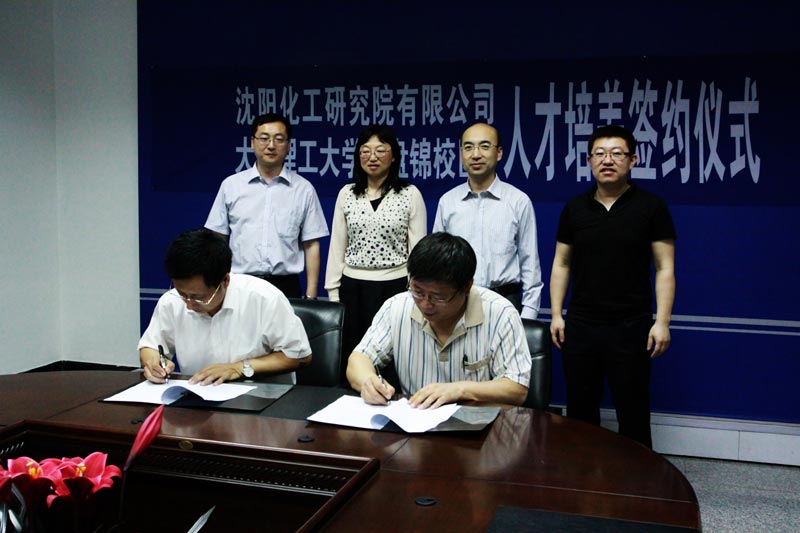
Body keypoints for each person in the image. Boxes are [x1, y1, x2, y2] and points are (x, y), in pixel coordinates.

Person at [549, 124, 676, 448]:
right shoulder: (575, 208)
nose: (608, 160)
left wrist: (662, 322)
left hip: (631, 325)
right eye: (600, 154)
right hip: (581, 325)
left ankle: (638, 477)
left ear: (633, 160)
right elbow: (561, 264)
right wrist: (557, 315)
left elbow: (664, 268)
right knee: (580, 411)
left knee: (633, 411)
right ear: (589, 160)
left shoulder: (651, 207)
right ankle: (581, 472)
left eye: (617, 154)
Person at [346, 232, 531, 408]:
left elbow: (517, 388)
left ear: (467, 287)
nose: (426, 304)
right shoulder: (396, 307)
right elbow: (359, 359)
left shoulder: (500, 313)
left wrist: (459, 390)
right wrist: (368, 382)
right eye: (418, 292)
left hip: (478, 424)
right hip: (415, 420)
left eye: (438, 297)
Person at [138, 228, 312, 385]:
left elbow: (300, 356)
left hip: (262, 400)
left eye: (199, 298)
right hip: (196, 398)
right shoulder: (171, 301)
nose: (189, 305)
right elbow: (150, 346)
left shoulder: (264, 298)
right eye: (182, 294)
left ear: (225, 281)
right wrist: (153, 363)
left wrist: (239, 368)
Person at [324, 124, 427, 382]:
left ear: (393, 156)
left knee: (393, 361)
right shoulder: (347, 194)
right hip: (352, 290)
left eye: (380, 150)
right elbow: (337, 247)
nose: (372, 157)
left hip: (395, 288)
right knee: (352, 361)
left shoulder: (409, 194)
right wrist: (333, 294)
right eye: (365, 151)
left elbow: (419, 252)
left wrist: (415, 292)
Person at [205, 113, 329, 298]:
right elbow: (218, 238)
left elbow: (311, 245)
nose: (271, 145)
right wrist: (218, 283)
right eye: (264, 138)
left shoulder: (303, 189)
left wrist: (311, 296)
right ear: (252, 142)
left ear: (289, 145)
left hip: (286, 286)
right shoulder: (231, 186)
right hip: (239, 283)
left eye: (279, 139)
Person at [433, 122, 542, 319]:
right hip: (457, 302)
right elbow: (438, 261)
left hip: (505, 302)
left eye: (484, 146)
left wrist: (528, 315)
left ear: (499, 153)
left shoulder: (518, 201)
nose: (476, 154)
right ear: (461, 154)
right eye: (468, 147)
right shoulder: (447, 202)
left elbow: (530, 264)